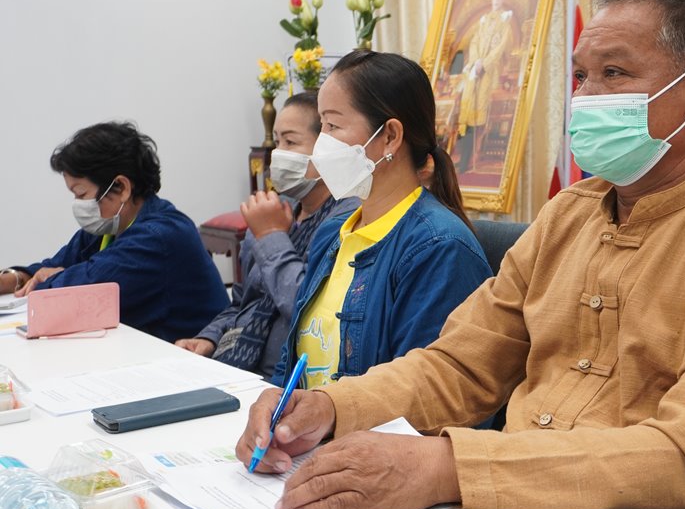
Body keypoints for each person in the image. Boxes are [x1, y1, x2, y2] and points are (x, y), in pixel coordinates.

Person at [236, 0, 685, 509]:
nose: (585, 98)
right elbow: (461, 365)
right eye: (580, 76)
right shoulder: (569, 214)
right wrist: (330, 407)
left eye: (613, 73)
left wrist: (447, 467)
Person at [269, 49, 492, 388]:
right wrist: (275, 400)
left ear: (389, 136)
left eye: (333, 125)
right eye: (321, 126)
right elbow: (292, 356)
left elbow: (424, 393)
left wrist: (328, 413)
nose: (321, 144)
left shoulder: (439, 249)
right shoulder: (333, 233)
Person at [174, 92, 359, 379]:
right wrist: (209, 338)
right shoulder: (278, 211)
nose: (278, 154)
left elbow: (309, 308)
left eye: (291, 142)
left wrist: (271, 236)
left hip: (287, 379)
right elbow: (242, 303)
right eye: (277, 142)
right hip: (237, 362)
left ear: (328, 149)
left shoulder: (348, 219)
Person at [1, 122, 228, 343]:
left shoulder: (158, 237)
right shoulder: (107, 227)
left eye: (81, 194)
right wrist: (13, 279)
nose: (78, 204)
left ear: (122, 187)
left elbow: (73, 295)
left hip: (193, 359)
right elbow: (51, 268)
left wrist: (51, 278)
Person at [453, 0, 514, 173]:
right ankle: (464, 159)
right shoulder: (484, 20)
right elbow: (474, 42)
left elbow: (500, 48)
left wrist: (484, 64)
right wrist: (475, 61)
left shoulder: (505, 23)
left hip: (487, 74)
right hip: (474, 71)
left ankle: (473, 158)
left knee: (480, 115)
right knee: (467, 112)